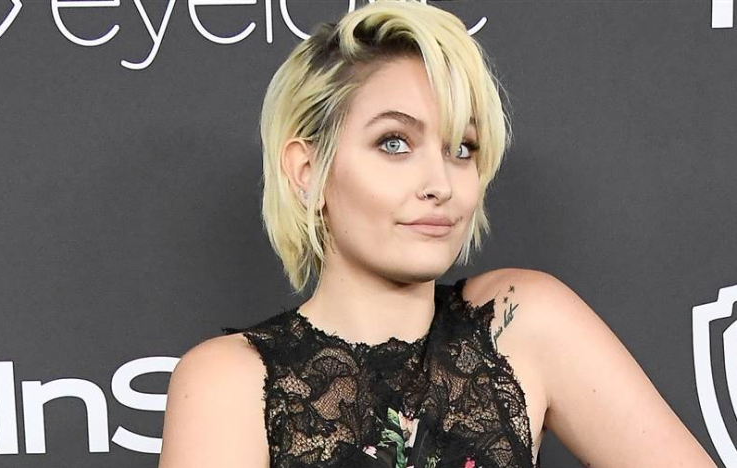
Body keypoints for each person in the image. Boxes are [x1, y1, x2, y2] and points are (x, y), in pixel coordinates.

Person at [157, 1, 716, 467]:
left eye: (461, 149)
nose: (440, 184)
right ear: (309, 172)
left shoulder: (522, 323)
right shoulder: (230, 381)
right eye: (394, 143)